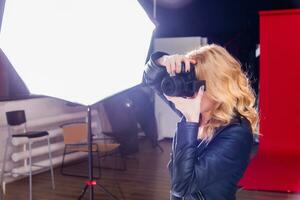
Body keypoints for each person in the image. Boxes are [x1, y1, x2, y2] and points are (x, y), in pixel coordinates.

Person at [143, 44, 258, 200]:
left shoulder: (237, 132)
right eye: (189, 80)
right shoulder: (201, 112)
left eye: (196, 83)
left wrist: (189, 121)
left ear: (217, 86)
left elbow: (182, 186)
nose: (189, 91)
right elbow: (150, 78)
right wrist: (161, 61)